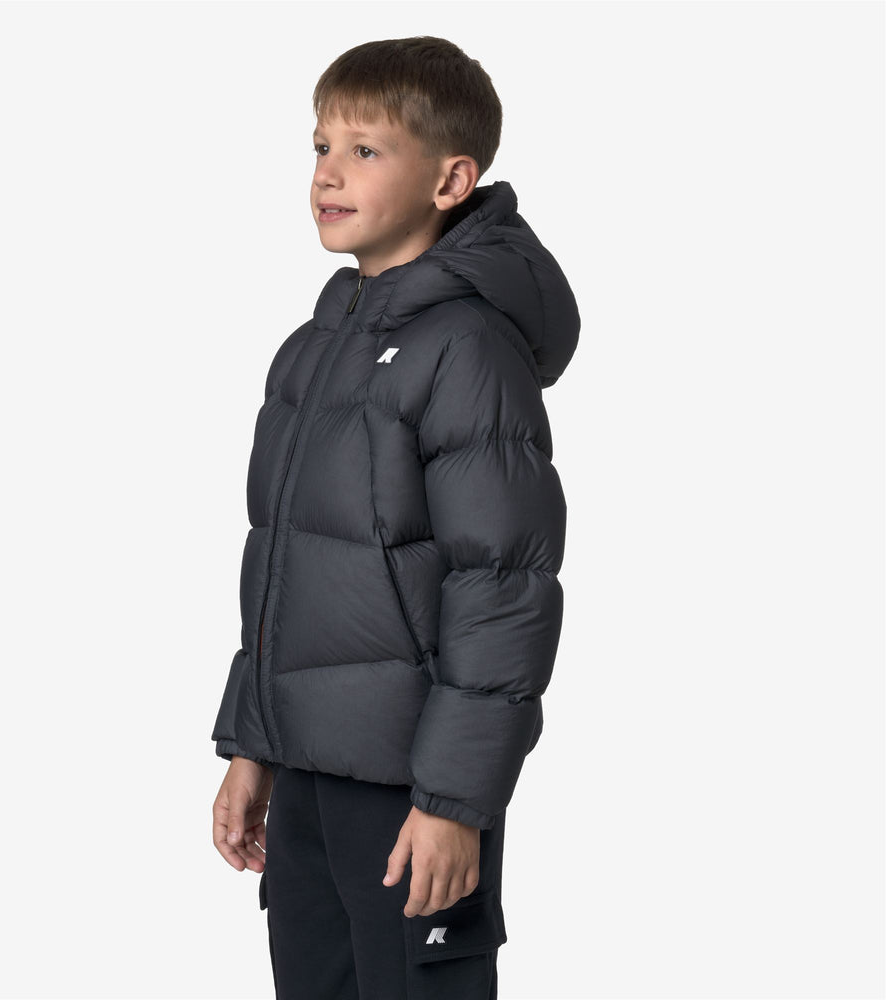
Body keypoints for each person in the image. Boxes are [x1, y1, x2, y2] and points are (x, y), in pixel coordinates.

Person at [210, 35, 580, 1000]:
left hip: (412, 785)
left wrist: (454, 800)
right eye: (321, 146)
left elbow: (502, 585)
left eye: (365, 150)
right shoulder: (315, 345)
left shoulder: (468, 348)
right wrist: (253, 745)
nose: (328, 173)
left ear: (451, 180)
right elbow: (283, 568)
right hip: (308, 772)